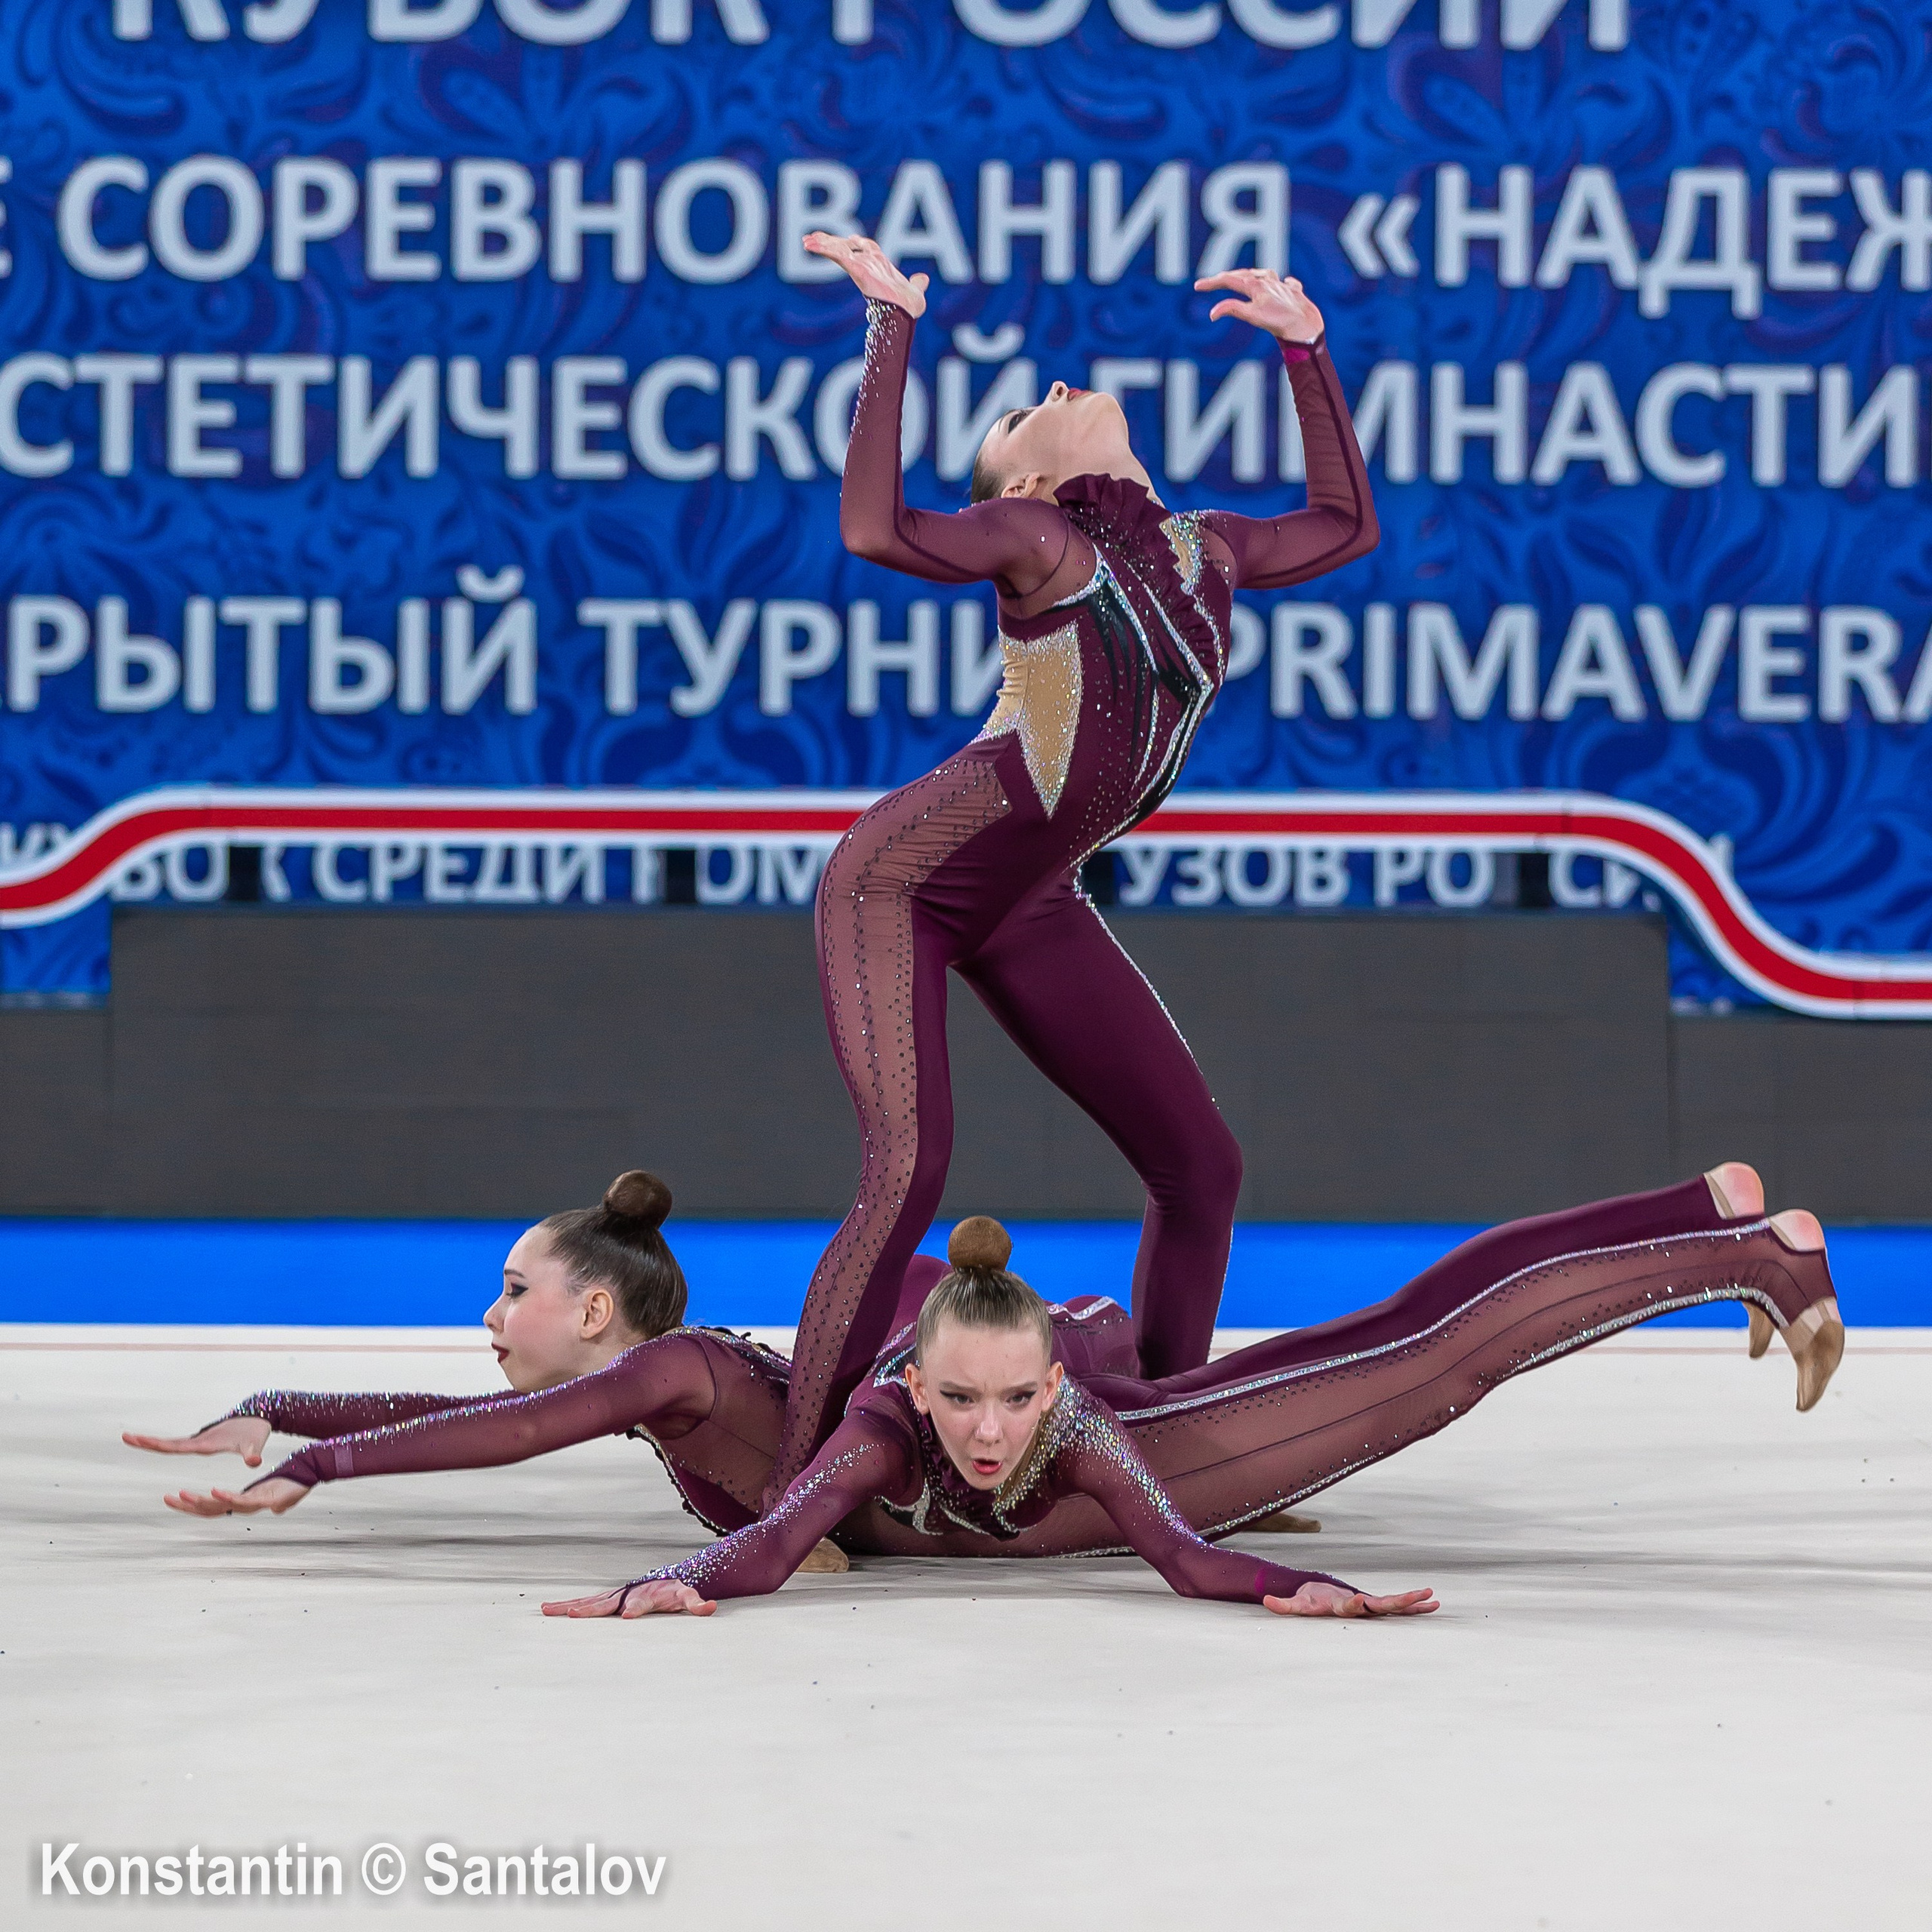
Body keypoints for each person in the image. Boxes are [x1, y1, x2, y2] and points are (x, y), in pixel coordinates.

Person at [766, 232, 1379, 1503]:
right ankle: (795, 1482)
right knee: (909, 1169)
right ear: (1024, 482)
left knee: (1200, 1166)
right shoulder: (1042, 544)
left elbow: (1344, 525)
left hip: (1028, 900)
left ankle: (1165, 1441)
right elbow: (876, 528)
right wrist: (892, 327)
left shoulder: (1207, 550)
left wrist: (1306, 352)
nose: (1052, 393)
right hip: (899, 884)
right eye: (1022, 413)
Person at [132, 1165, 1842, 1619]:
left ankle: (1744, 1253)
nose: (490, 1316)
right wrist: (285, 1406)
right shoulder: (721, 1380)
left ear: (594, 1309)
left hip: (1136, 1424)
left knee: (1416, 1359)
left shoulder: (667, 1376)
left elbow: (509, 1430)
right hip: (1077, 1392)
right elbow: (486, 1416)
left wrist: (307, 1464)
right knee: (1393, 1336)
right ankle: (1696, 1215)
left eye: (513, 1291)